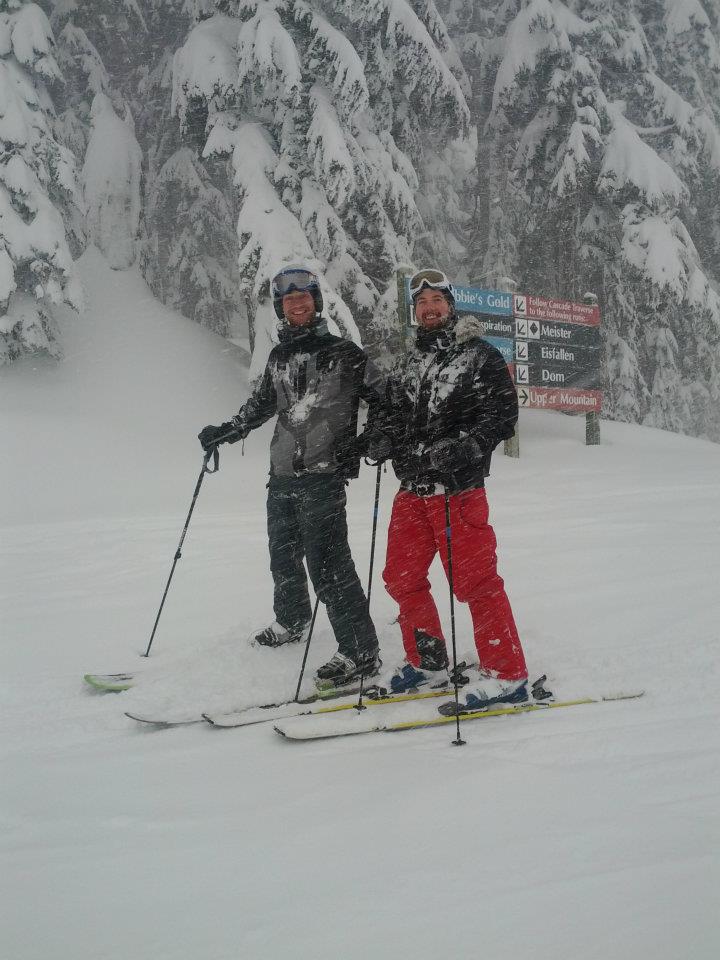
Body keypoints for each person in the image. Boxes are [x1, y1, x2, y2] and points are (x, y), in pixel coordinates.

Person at [199, 266, 382, 689]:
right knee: (282, 557)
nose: (297, 304)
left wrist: (371, 440)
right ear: (282, 309)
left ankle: (360, 651)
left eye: (303, 297)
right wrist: (228, 431)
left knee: (329, 564)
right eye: (288, 300)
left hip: (324, 475)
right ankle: (293, 619)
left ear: (316, 302)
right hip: (282, 475)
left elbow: (386, 398)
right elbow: (262, 405)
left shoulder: (345, 353)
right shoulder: (279, 357)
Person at [364, 267, 528, 708]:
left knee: (476, 582)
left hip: (458, 490)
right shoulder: (408, 362)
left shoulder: (478, 355)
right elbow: (390, 414)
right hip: (411, 490)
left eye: (437, 300)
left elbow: (502, 415)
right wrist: (380, 437)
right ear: (414, 311)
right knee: (401, 578)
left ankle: (507, 675)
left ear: (450, 306)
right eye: (421, 302)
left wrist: (466, 446)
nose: (429, 307)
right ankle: (428, 663)